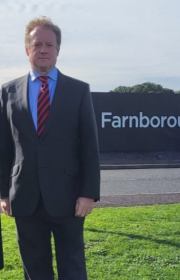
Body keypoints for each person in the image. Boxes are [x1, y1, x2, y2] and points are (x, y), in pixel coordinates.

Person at [0, 16, 100, 280]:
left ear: (58, 49)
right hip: (24, 197)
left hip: (69, 198)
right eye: (37, 44)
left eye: (49, 44)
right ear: (27, 49)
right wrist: (3, 193)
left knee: (73, 267)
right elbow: (4, 147)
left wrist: (88, 193)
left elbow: (89, 146)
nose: (43, 49)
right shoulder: (7, 92)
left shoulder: (78, 90)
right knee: (34, 269)